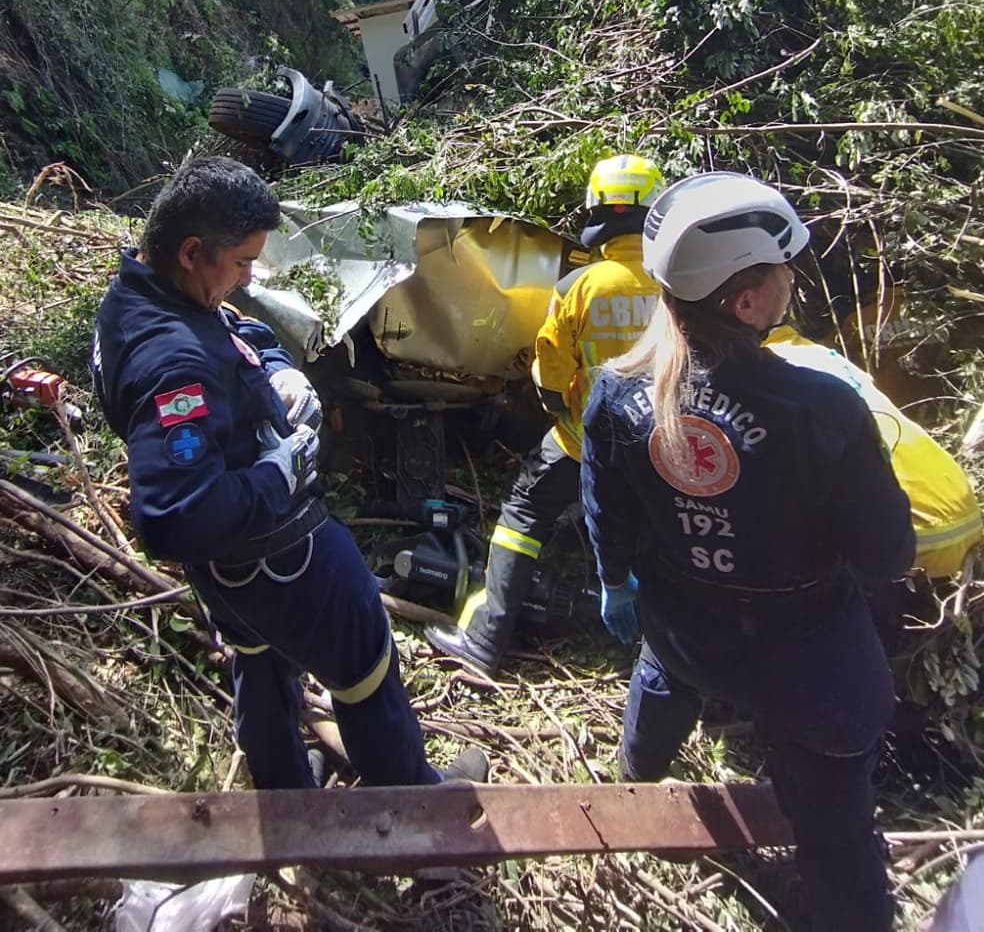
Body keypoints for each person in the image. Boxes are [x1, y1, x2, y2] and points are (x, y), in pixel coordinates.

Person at [581, 172, 915, 932]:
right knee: (838, 831)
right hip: (811, 660)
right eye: (782, 269)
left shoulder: (616, 390)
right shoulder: (824, 407)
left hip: (684, 630)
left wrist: (614, 583)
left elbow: (609, 514)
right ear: (746, 300)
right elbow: (888, 554)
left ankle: (637, 788)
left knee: (663, 675)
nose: (792, 279)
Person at [92, 155, 485, 789]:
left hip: (232, 578)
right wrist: (274, 477)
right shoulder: (172, 363)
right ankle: (416, 804)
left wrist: (276, 366)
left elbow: (229, 329)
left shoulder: (143, 291)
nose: (249, 276)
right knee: (364, 659)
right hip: (279, 555)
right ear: (193, 251)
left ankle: (281, 787)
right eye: (243, 262)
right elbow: (175, 516)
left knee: (258, 653)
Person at [426, 153, 664, 675]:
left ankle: (485, 642)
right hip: (666, 449)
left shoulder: (580, 286)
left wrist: (560, 407)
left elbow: (550, 367)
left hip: (586, 442)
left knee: (522, 515)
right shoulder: (677, 285)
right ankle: (665, 651)